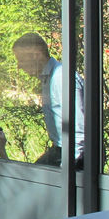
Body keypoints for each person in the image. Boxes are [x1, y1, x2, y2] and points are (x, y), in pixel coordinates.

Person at [11, 32, 84, 166]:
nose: (19, 66)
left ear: (37, 55)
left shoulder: (61, 78)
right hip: (61, 150)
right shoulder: (48, 77)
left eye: (21, 59)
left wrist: (66, 169)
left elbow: (80, 130)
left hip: (75, 156)